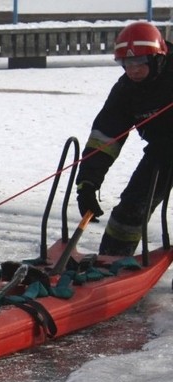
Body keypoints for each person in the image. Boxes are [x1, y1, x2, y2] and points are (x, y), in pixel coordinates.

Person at [75, 22, 173, 257]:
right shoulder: (126, 91)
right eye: (127, 63)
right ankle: (113, 261)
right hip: (162, 153)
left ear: (157, 58)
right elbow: (105, 137)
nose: (133, 70)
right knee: (129, 211)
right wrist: (87, 184)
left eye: (140, 63)